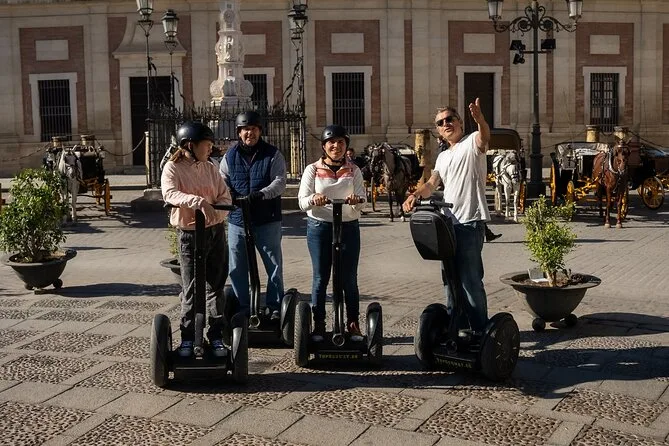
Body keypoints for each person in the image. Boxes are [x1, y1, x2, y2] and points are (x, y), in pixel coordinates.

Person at [402, 99, 491, 332]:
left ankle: (479, 332)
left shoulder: (472, 142)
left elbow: (484, 137)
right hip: (448, 224)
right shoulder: (442, 157)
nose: (445, 124)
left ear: (459, 122)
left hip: (470, 221)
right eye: (440, 123)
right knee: (449, 280)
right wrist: (415, 195)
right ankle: (455, 328)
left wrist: (480, 120)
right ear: (438, 131)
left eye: (449, 119)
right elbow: (431, 183)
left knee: (470, 281)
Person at [161, 121, 232, 358]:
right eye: (207, 144)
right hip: (189, 235)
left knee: (216, 287)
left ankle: (216, 336)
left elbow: (225, 197)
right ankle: (188, 337)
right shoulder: (173, 168)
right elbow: (170, 194)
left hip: (215, 233)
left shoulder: (211, 168)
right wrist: (198, 202)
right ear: (190, 145)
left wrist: (214, 214)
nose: (210, 148)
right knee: (191, 288)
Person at [298, 125, 367, 342]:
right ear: (324, 146)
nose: (336, 146)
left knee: (349, 278)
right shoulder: (312, 170)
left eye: (340, 142)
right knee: (321, 277)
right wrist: (314, 199)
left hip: (348, 227)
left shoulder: (354, 170)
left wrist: (356, 201)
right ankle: (319, 324)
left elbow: (362, 200)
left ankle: (353, 323)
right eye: (331, 142)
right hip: (320, 227)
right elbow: (302, 202)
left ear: (346, 146)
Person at [219, 110, 287, 320]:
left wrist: (261, 194)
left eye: (254, 129)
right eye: (246, 129)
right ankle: (243, 306)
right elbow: (222, 180)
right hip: (238, 221)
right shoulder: (229, 156)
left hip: (267, 219)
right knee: (237, 267)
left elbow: (279, 182)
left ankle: (275, 306)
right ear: (239, 132)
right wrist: (230, 195)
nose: (250, 133)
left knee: (273, 265)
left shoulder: (273, 154)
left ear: (260, 131)